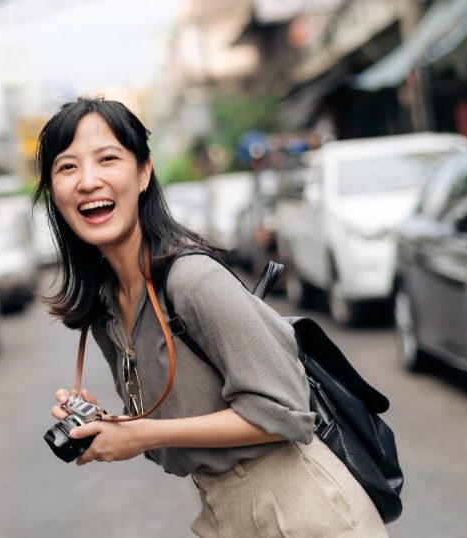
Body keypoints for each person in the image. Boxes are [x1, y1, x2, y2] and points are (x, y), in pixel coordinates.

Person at [35, 97, 387, 537]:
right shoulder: (108, 306)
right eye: (68, 167)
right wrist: (111, 427)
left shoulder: (192, 280)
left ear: (143, 172)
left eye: (108, 159)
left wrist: (141, 435)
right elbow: (166, 433)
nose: (89, 181)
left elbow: (284, 414)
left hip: (301, 511)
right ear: (52, 191)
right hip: (223, 514)